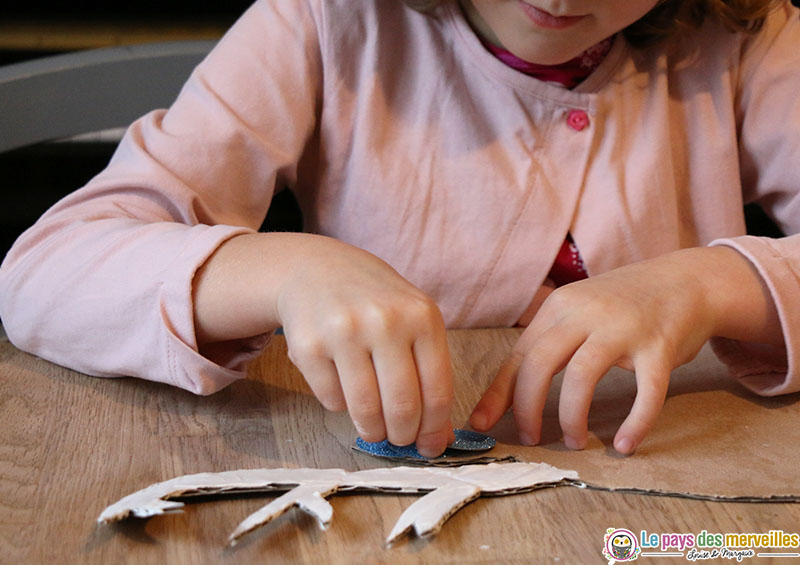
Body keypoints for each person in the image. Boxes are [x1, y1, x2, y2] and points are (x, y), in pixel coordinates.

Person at [1, 0, 797, 458]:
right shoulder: (321, 19)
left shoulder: (751, 38)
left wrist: (708, 284)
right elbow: (45, 272)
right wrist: (281, 272)